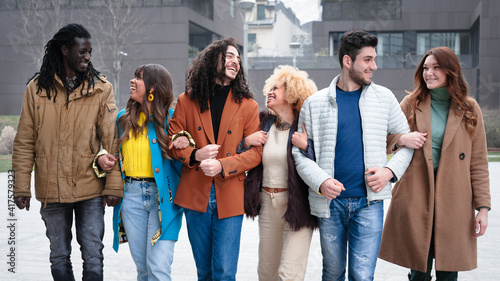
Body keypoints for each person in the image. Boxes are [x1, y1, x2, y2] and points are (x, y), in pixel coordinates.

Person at [291, 29, 414, 281]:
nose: (374, 66)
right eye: (367, 60)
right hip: (330, 204)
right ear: (348, 61)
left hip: (370, 204)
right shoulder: (314, 104)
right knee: (333, 273)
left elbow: (408, 143)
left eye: (374, 59)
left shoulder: (384, 98)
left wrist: (389, 172)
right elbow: (300, 154)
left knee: (362, 276)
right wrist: (321, 182)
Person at [12, 23, 122, 281]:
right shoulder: (37, 89)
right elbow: (24, 140)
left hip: (90, 187)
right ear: (64, 50)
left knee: (93, 253)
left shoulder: (101, 88)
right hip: (52, 187)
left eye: (90, 52)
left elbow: (112, 139)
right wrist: (20, 187)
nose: (88, 57)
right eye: (82, 51)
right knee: (59, 255)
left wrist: (113, 187)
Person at [378, 46, 491, 281]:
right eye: (426, 68)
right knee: (419, 267)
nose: (429, 73)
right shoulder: (411, 103)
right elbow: (382, 138)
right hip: (417, 195)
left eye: (436, 67)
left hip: (455, 199)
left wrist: (483, 208)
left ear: (451, 71)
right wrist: (402, 139)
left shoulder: (470, 108)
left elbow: (479, 162)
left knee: (449, 269)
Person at [167, 37, 262, 280]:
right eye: (229, 56)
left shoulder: (248, 105)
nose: (235, 62)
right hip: (195, 193)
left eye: (238, 59)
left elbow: (256, 153)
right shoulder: (186, 101)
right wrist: (195, 154)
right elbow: (173, 141)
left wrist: (222, 165)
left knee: (225, 272)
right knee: (204, 271)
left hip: (230, 193)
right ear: (213, 60)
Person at [107, 64, 187, 280]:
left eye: (139, 77)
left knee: (158, 266)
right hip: (131, 198)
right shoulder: (122, 119)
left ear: (153, 87)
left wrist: (185, 140)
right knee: (143, 268)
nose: (133, 81)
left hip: (163, 200)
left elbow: (187, 156)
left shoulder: (173, 119)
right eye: (134, 77)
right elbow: (109, 153)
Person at [241, 65, 318, 280]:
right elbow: (238, 151)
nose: (270, 92)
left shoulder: (306, 126)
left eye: (277, 88)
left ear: (293, 93)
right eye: (270, 88)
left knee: (289, 274)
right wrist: (246, 141)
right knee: (266, 272)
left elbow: (323, 163)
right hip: (267, 203)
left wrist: (306, 147)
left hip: (297, 205)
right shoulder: (263, 124)